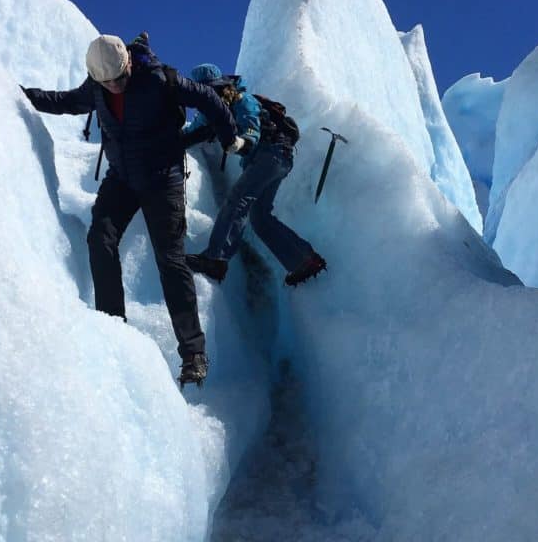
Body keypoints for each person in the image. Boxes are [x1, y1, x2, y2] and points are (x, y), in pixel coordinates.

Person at [21, 35, 243, 387]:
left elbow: (209, 98)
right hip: (122, 178)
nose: (115, 86)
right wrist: (22, 95)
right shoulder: (96, 88)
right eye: (107, 82)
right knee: (100, 239)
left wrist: (230, 137)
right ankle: (114, 328)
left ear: (129, 64)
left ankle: (193, 353)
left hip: (163, 179)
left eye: (120, 78)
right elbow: (66, 102)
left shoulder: (158, 79)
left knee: (170, 260)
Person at [182, 63, 326, 286]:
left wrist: (245, 141)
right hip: (277, 160)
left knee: (238, 199)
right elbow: (193, 132)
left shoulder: (241, 99)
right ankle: (304, 260)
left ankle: (215, 258)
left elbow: (251, 124)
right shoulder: (211, 110)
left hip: (271, 153)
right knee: (259, 217)